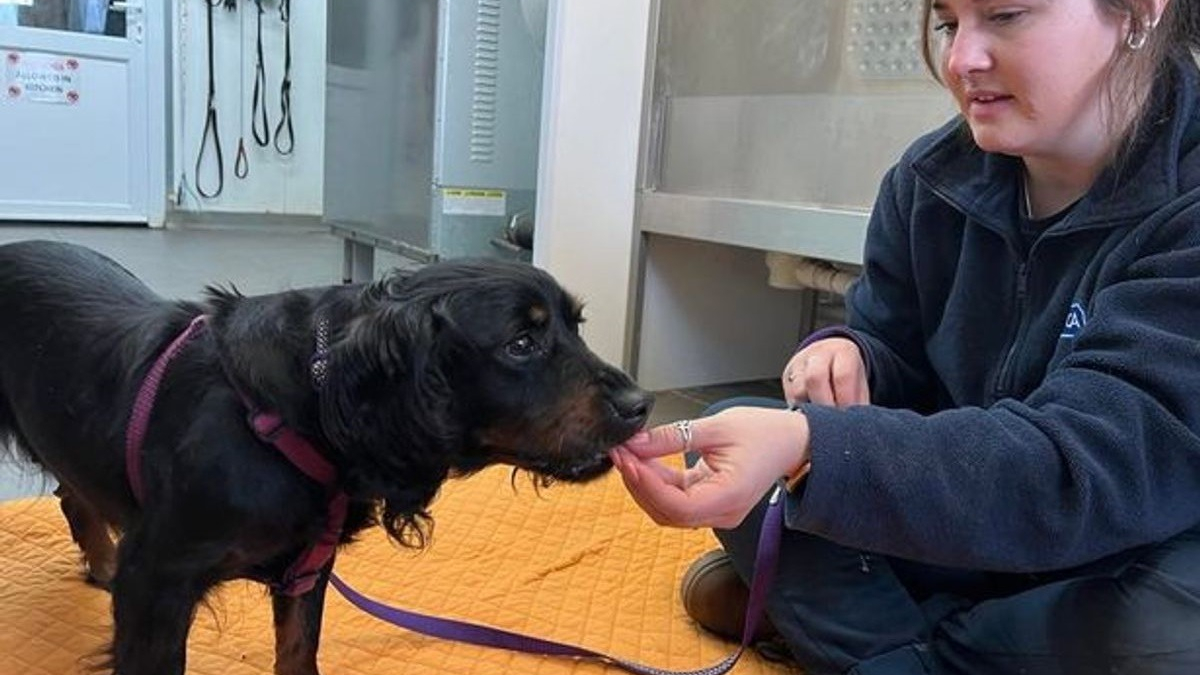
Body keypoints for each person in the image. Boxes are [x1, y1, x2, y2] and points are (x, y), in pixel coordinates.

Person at [610, 0, 1200, 673]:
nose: (960, 60)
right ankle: (947, 633)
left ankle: (848, 624)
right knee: (736, 438)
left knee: (1172, 629)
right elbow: (896, 371)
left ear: (1139, 12)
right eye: (949, 23)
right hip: (962, 524)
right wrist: (847, 357)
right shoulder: (928, 182)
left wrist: (816, 448)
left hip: (1121, 542)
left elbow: (1080, 469)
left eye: (1005, 16)